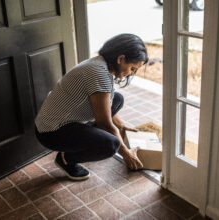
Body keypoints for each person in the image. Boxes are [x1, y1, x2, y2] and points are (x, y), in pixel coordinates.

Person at [35, 34, 148, 180]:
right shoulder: (99, 74)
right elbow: (105, 124)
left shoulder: (99, 63)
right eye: (132, 68)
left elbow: (105, 107)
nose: (131, 74)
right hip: (51, 132)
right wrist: (126, 154)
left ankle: (90, 138)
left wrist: (121, 126)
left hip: (62, 120)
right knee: (110, 145)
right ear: (120, 59)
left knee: (117, 99)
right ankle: (66, 158)